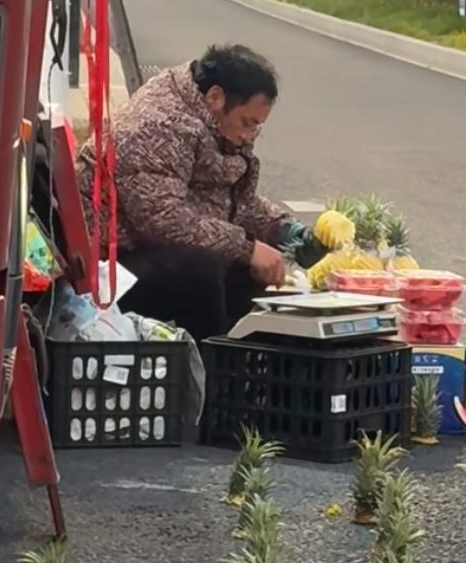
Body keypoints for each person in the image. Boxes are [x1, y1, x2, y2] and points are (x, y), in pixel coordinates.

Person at [80, 44, 307, 344]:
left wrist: (281, 228)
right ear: (216, 97)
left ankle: (241, 368)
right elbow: (163, 221)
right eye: (247, 123)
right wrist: (248, 247)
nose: (248, 136)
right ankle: (209, 374)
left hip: (150, 247)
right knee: (205, 271)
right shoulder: (155, 125)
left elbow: (228, 200)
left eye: (256, 128)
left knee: (252, 267)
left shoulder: (209, 119)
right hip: (111, 263)